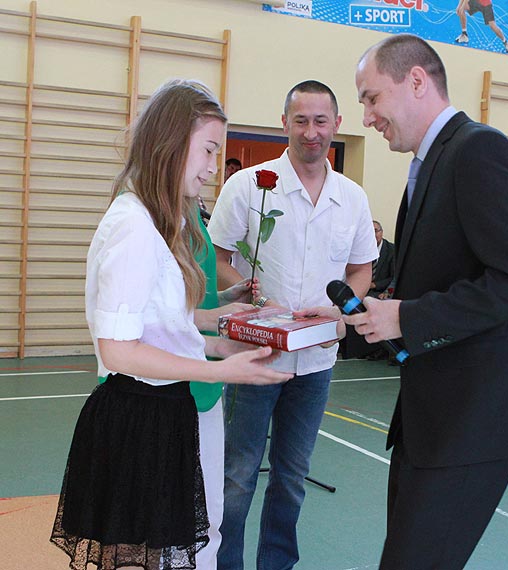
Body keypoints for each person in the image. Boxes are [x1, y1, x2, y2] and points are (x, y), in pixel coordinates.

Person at [50, 79, 292, 570]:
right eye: (208, 150)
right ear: (171, 142)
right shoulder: (135, 227)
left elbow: (159, 319)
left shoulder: (159, 221)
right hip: (137, 414)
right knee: (143, 555)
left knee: (168, 551)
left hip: (162, 410)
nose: (212, 167)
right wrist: (220, 371)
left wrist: (219, 341)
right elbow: (118, 348)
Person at [353, 34, 508, 569]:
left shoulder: (478, 151)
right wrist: (364, 315)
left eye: (372, 98)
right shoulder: (434, 161)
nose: (368, 117)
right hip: (436, 414)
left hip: (474, 416)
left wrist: (407, 316)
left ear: (416, 81)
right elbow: (441, 278)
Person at [208, 79, 377, 570]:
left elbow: (361, 270)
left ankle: (276, 564)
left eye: (321, 121)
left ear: (337, 125)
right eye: (300, 120)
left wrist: (341, 310)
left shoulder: (353, 197)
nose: (311, 132)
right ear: (284, 123)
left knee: (292, 476)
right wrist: (254, 297)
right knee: (237, 475)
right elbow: (216, 256)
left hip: (317, 361)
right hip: (253, 357)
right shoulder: (248, 185)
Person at [369, 220, 395, 297]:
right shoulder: (360, 250)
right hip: (363, 291)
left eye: (376, 231)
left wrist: (374, 285)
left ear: (382, 232)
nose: (373, 235)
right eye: (370, 232)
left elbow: (394, 278)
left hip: (383, 292)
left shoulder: (392, 250)